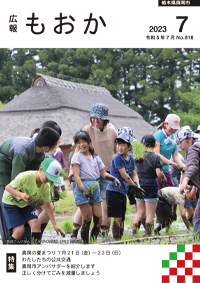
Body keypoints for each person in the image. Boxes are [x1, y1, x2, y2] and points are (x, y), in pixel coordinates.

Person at [0, 128, 60, 244]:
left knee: (28, 204)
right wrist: (21, 195)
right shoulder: (21, 150)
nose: (55, 147)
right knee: (8, 199)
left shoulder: (40, 155)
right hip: (3, 166)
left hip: (17, 170)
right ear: (47, 147)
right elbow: (15, 180)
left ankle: (26, 240)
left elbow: (37, 177)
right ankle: (9, 240)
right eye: (55, 145)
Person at [71, 103, 118, 238]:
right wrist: (71, 171)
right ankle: (75, 231)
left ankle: (103, 231)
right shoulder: (87, 129)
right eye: (93, 118)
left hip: (105, 171)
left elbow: (115, 153)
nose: (95, 121)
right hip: (87, 173)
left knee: (104, 203)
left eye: (99, 118)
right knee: (85, 203)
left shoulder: (112, 132)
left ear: (105, 119)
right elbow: (77, 150)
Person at [2, 158, 65, 244]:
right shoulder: (26, 176)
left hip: (26, 204)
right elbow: (8, 187)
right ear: (41, 169)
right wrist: (21, 195)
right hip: (11, 203)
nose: (49, 180)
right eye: (48, 176)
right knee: (19, 231)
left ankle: (34, 251)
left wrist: (55, 224)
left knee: (36, 224)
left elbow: (48, 206)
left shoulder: (45, 186)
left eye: (52, 178)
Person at [106, 133, 145, 240]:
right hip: (114, 191)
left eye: (123, 145)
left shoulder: (131, 159)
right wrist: (135, 187)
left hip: (123, 191)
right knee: (117, 218)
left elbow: (134, 174)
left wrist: (137, 185)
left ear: (130, 147)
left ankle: (120, 239)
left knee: (122, 218)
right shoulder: (117, 157)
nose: (119, 147)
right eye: (118, 144)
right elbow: (124, 175)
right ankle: (117, 241)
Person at [132, 134, 167, 236]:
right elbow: (159, 174)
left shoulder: (138, 156)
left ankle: (134, 232)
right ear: (155, 145)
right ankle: (149, 234)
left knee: (140, 212)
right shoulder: (156, 157)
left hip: (138, 184)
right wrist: (164, 177)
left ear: (142, 145)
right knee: (150, 213)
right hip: (150, 184)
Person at [175, 125, 200, 237]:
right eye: (177, 144)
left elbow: (192, 166)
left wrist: (184, 181)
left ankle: (197, 243)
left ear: (190, 138)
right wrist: (194, 188)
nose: (180, 146)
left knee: (198, 216)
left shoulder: (194, 148)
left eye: (181, 142)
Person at [170, 152, 196, 229]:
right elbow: (182, 182)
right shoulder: (185, 169)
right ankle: (189, 227)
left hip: (195, 193)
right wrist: (192, 187)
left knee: (194, 212)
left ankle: (193, 227)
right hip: (187, 193)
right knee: (190, 213)